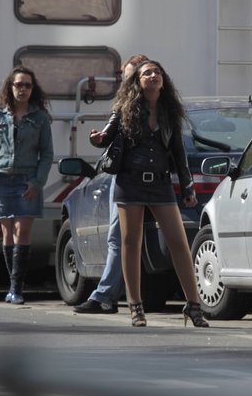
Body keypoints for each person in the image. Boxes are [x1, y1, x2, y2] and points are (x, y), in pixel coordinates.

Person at [91, 59, 208, 328]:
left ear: (163, 80)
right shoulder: (123, 110)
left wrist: (188, 188)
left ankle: (193, 305)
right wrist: (97, 138)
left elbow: (179, 153)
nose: (153, 75)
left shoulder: (170, 112)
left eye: (157, 72)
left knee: (178, 243)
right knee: (131, 244)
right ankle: (135, 306)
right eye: (147, 73)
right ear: (138, 82)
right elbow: (105, 136)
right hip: (129, 183)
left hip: (161, 184)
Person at [74, 54, 148, 315]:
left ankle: (106, 296)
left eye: (131, 77)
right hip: (127, 178)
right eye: (125, 77)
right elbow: (108, 134)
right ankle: (111, 295)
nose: (127, 83)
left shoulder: (145, 106)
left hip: (137, 179)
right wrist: (99, 138)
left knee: (120, 239)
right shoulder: (129, 105)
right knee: (121, 239)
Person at [0, 66, 54, 305]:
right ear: (10, 87)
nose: (22, 89)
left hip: (27, 181)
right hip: (1, 180)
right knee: (7, 232)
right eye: (18, 85)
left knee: (23, 231)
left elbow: (47, 154)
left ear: (33, 89)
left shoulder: (40, 118)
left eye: (27, 85)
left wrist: (37, 182)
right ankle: (12, 285)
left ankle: (16, 288)